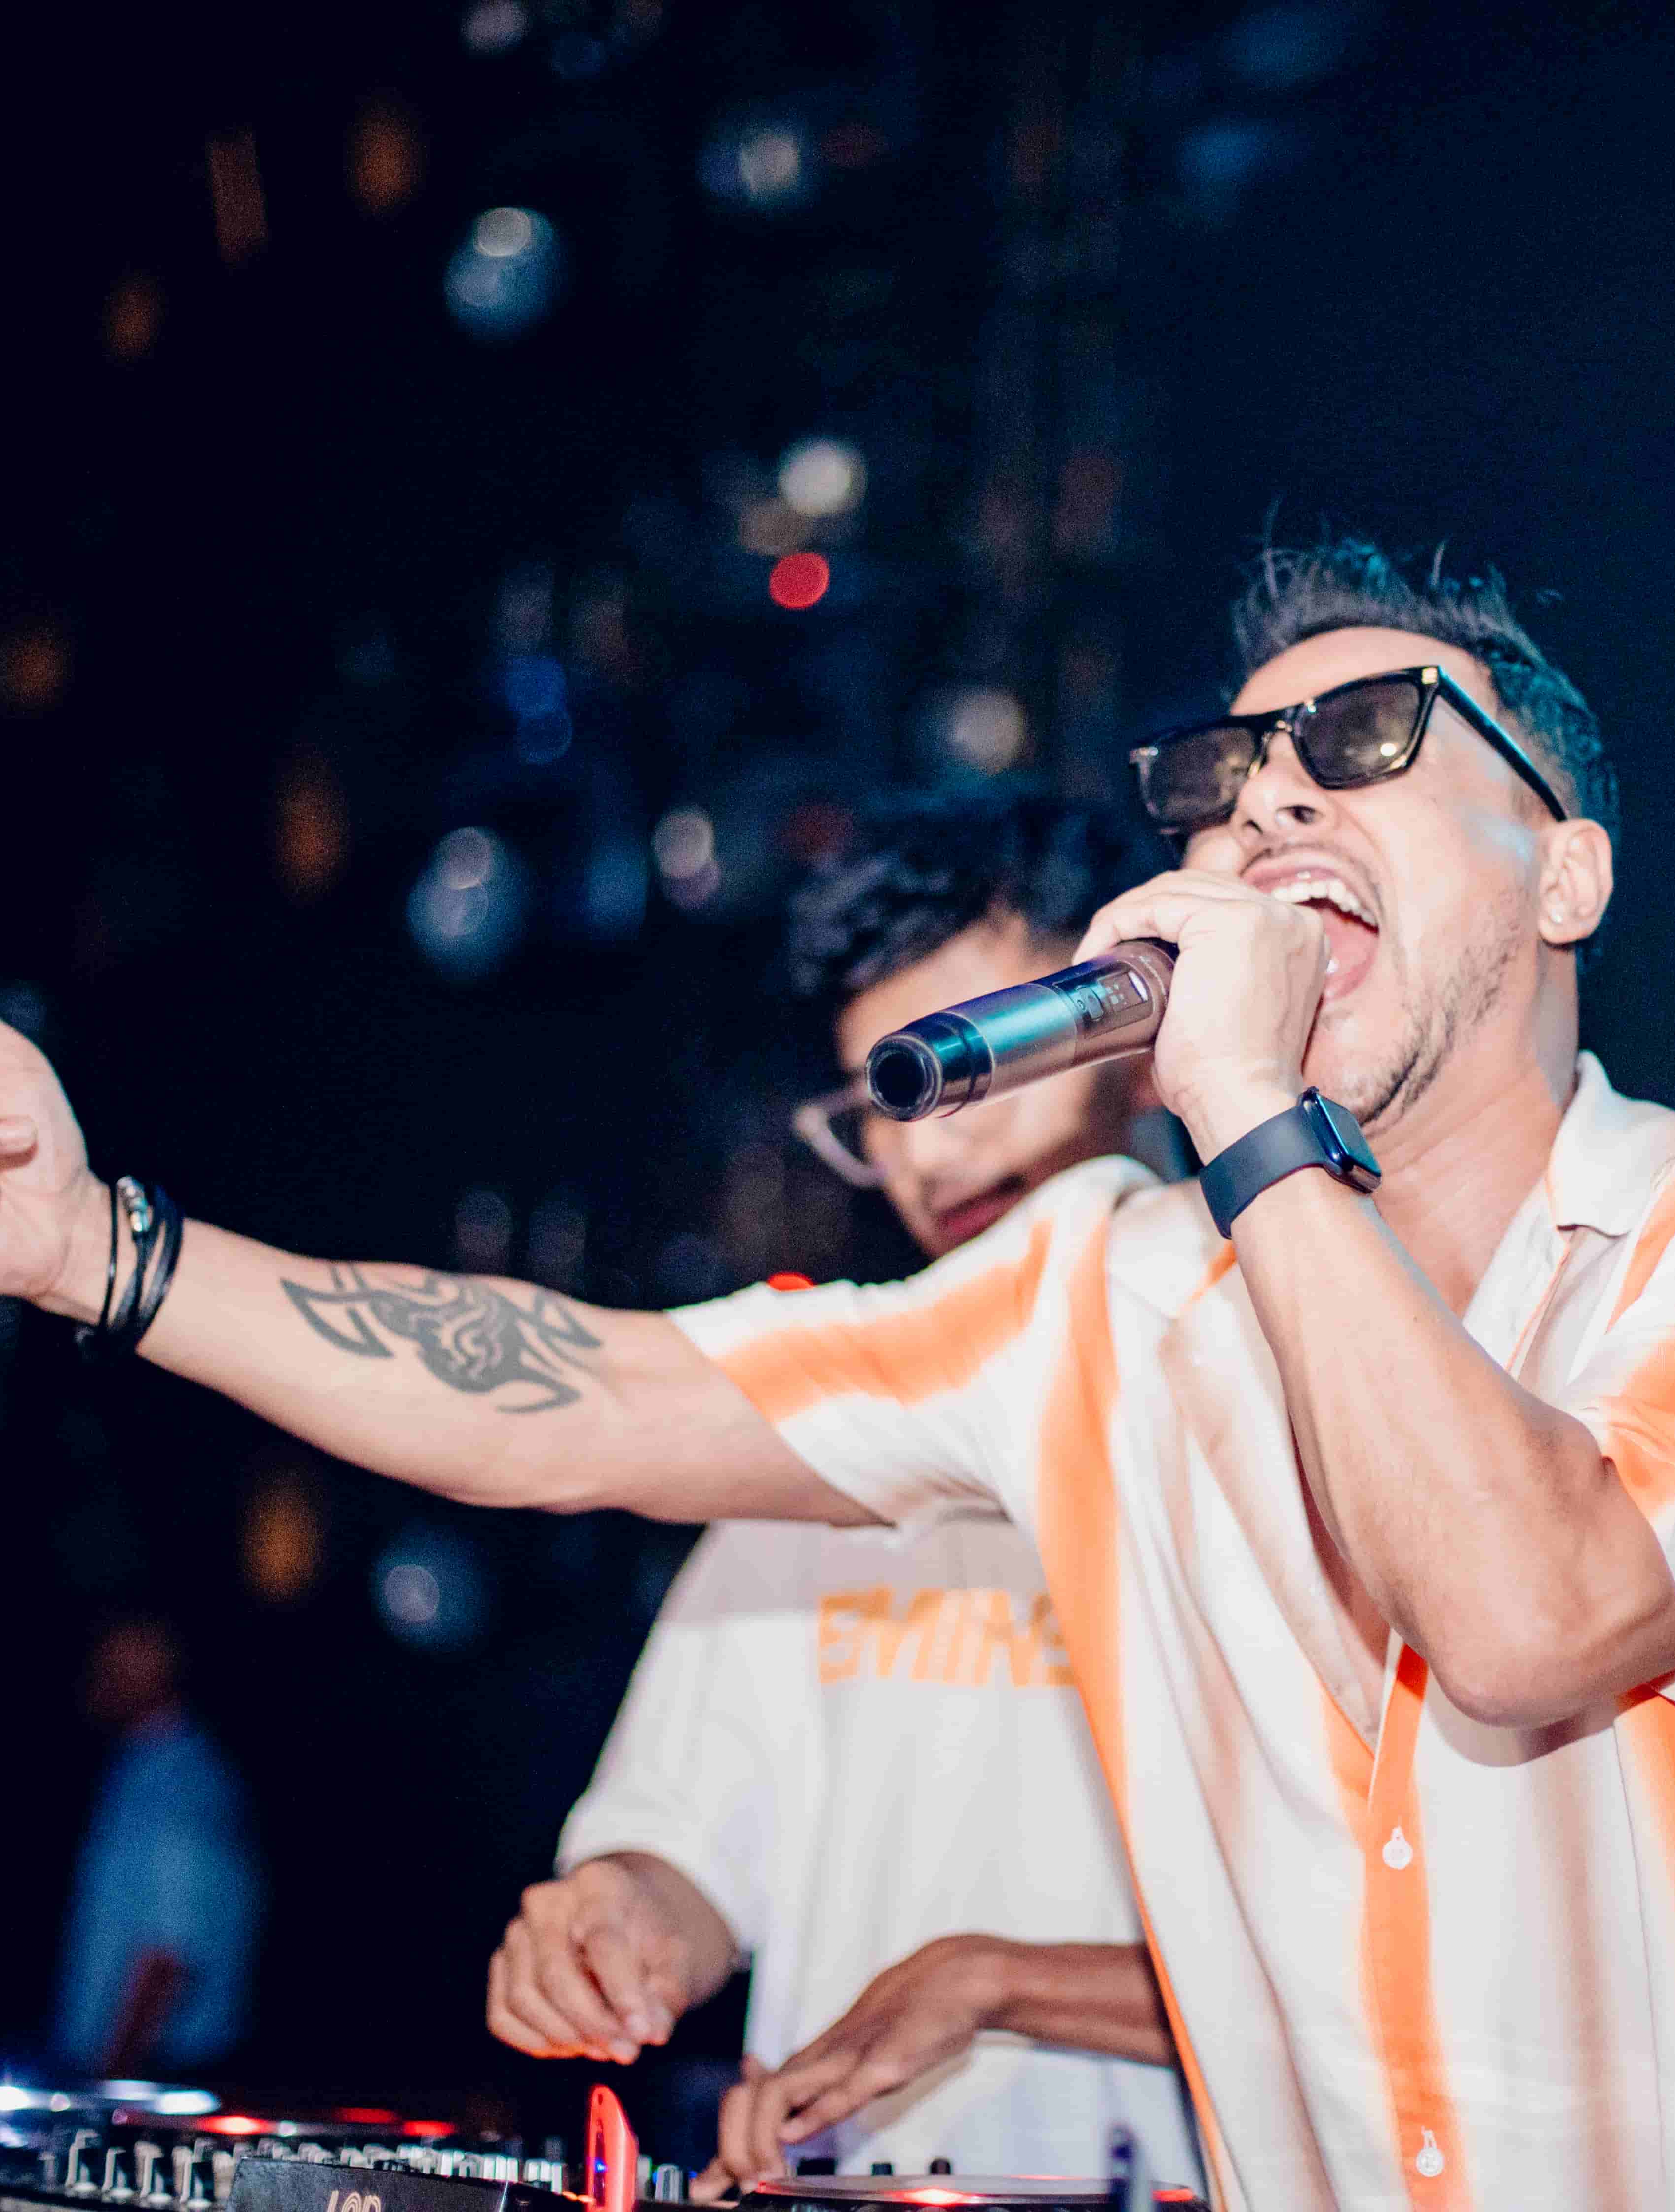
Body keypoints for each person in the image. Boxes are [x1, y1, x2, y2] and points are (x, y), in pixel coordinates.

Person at [0, 534, 1675, 2210]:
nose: (1269, 804)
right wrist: (107, 1250)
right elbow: (582, 1391)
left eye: (1367, 742)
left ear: (1569, 875)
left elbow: (1531, 1609)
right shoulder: (1107, 1290)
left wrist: (1243, 1108)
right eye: (1228, 775)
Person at [486, 791, 1203, 2189]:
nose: (926, 1150)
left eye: (986, 1058)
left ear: (1145, 1033)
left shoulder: (1293, 1387)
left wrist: (995, 1980)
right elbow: (686, 1855)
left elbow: (1406, 1959)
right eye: (897, 1091)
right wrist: (617, 1920)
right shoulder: (820, 1434)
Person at [48, 1614, 259, 2080]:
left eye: (111, 1663)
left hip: (153, 2078)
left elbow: (168, 1958)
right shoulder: (138, 1768)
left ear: (156, 1665)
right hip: (123, 2070)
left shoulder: (180, 1784)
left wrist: (108, 2088)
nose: (93, 1678)